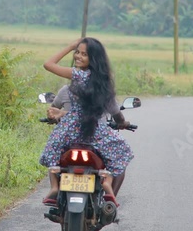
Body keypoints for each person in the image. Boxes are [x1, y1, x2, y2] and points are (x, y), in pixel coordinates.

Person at [39, 37, 134, 207]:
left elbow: (48, 64)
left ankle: (54, 187)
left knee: (53, 149)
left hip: (70, 128)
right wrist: (123, 123)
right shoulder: (104, 82)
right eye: (77, 52)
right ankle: (108, 186)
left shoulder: (77, 75)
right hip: (96, 131)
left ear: (93, 59)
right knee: (122, 153)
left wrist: (69, 46)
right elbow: (114, 111)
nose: (78, 56)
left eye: (84, 54)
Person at [46, 84, 127, 197]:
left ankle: (54, 187)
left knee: (53, 155)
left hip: (69, 138)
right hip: (95, 138)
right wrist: (123, 123)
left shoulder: (67, 90)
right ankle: (110, 198)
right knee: (120, 159)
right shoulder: (104, 91)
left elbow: (53, 110)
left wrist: (57, 115)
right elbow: (117, 117)